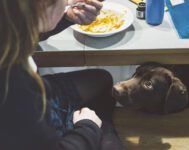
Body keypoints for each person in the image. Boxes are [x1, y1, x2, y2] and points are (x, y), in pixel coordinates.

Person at [0, 0, 123, 150]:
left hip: (40, 93)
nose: (68, 2)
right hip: (36, 111)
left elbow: (28, 29)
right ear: (41, 8)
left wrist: (66, 17)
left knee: (103, 79)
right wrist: (88, 127)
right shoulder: (15, 91)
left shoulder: (8, 22)